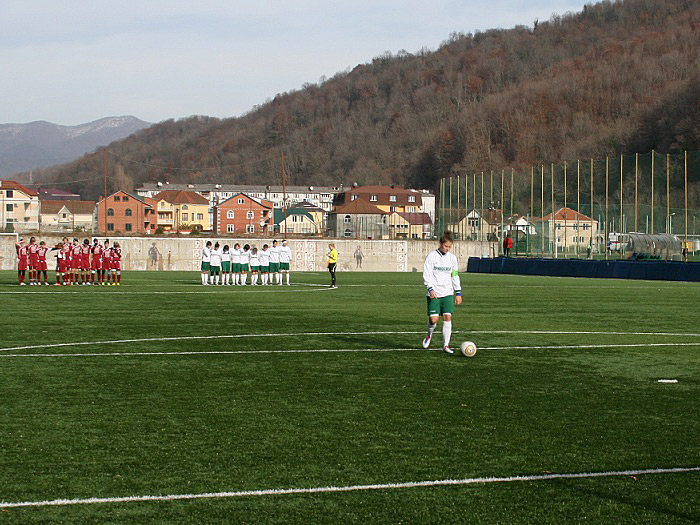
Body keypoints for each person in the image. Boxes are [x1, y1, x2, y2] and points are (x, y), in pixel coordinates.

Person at [422, 231, 462, 354]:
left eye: (450, 247)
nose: (447, 249)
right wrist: (430, 289)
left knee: (447, 317)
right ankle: (429, 335)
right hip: (434, 293)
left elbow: (455, 275)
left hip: (448, 292)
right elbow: (426, 274)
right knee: (433, 320)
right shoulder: (431, 257)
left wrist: (458, 292)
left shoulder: (452, 258)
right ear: (440, 243)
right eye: (446, 246)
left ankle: (446, 345)